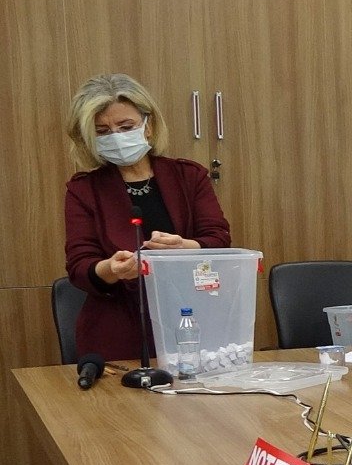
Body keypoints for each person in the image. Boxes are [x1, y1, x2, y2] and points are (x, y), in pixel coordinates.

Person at [63, 73, 232, 362]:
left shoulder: (188, 176)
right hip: (118, 332)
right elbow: (80, 267)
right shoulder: (84, 189)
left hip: (191, 321)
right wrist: (112, 269)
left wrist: (184, 248)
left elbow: (219, 239)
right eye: (102, 131)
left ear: (148, 126)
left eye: (125, 127)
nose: (116, 137)